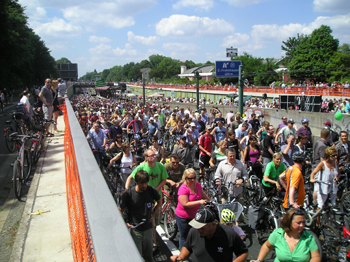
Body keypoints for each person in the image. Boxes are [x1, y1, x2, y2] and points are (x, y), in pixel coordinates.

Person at [125, 149, 169, 251]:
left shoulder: (160, 166)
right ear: (146, 158)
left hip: (157, 198)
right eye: (152, 155)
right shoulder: (142, 168)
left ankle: (151, 241)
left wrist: (155, 190)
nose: (155, 156)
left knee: (155, 221)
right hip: (145, 200)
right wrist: (127, 191)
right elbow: (130, 178)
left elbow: (164, 180)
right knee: (150, 221)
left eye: (155, 155)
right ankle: (154, 244)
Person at [171, 207, 248, 262]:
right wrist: (180, 257)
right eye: (197, 226)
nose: (199, 230)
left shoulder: (229, 233)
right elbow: (187, 246)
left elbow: (243, 252)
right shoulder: (194, 231)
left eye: (202, 228)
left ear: (214, 224)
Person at [119, 170, 161, 262]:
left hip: (148, 229)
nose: (144, 185)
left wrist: (153, 213)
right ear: (136, 182)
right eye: (142, 183)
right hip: (135, 230)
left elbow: (159, 201)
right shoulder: (128, 194)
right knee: (137, 256)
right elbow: (120, 209)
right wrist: (124, 223)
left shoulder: (151, 191)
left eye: (146, 182)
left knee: (149, 256)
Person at [252, 208, 321, 262]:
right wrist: (259, 260)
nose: (302, 225)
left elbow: (316, 256)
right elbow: (267, 246)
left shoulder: (309, 237)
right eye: (298, 223)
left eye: (303, 222)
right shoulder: (277, 234)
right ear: (289, 223)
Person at [175, 168, 210, 249]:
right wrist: (199, 202)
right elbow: (185, 204)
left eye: (194, 178)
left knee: (196, 234)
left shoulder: (197, 184)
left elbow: (203, 194)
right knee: (184, 236)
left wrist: (210, 201)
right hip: (183, 217)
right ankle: (183, 255)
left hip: (195, 216)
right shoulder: (183, 188)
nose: (193, 180)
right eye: (190, 178)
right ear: (185, 178)